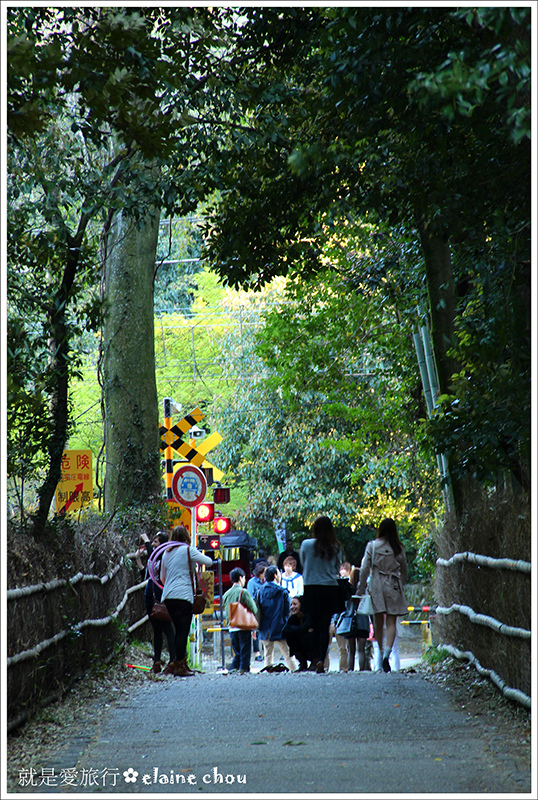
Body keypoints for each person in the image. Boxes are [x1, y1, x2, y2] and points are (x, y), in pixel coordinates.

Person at [356, 517, 408, 673]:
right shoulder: (398, 547)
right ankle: (387, 654)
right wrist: (401, 583)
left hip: (377, 585)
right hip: (393, 584)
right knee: (391, 621)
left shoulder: (372, 546)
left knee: (378, 621)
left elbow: (365, 568)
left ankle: (379, 650)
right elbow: (404, 568)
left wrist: (362, 586)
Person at [160, 525, 213, 677]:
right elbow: (208, 561)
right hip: (183, 596)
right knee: (183, 632)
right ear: (187, 537)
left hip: (169, 596)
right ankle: (179, 666)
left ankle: (179, 663)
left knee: (178, 631)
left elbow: (163, 577)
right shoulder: (188, 550)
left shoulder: (166, 553)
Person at [299, 516, 344, 673]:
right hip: (329, 588)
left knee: (311, 624)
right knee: (324, 626)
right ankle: (320, 660)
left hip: (311, 587)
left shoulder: (306, 544)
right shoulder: (335, 547)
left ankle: (313, 656)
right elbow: (337, 568)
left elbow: (304, 563)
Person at [142, 532, 177, 673]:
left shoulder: (164, 557)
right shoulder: (154, 558)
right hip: (150, 595)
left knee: (168, 629)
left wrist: (146, 541)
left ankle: (173, 661)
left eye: (156, 542)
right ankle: (157, 661)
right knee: (156, 629)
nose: (153, 544)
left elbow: (154, 554)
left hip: (161, 595)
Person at [255, 565, 297, 671]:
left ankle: (270, 674)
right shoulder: (283, 592)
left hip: (265, 628)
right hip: (280, 627)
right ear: (275, 575)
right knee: (288, 654)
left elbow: (258, 610)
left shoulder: (260, 592)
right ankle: (295, 672)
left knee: (267, 654)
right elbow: (287, 610)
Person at [222, 567, 259, 674]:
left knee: (238, 653)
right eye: (244, 578)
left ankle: (233, 670)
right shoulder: (243, 592)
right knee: (245, 653)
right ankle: (243, 671)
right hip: (243, 626)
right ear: (240, 578)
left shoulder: (226, 594)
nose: (244, 580)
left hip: (231, 628)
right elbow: (254, 609)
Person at [281, 596, 318, 671]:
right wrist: (297, 630)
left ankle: (315, 662)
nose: (292, 607)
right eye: (291, 605)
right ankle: (302, 663)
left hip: (315, 646)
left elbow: (302, 630)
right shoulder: (293, 618)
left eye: (295, 604)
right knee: (291, 638)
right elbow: (284, 632)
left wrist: (293, 628)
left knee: (305, 636)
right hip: (301, 646)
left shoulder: (309, 616)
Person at [247, 562, 267, 662]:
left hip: (264, 608)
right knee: (255, 630)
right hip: (255, 608)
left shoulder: (265, 581)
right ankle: (257, 652)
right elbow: (250, 596)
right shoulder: (252, 582)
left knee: (263, 630)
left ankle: (265, 651)